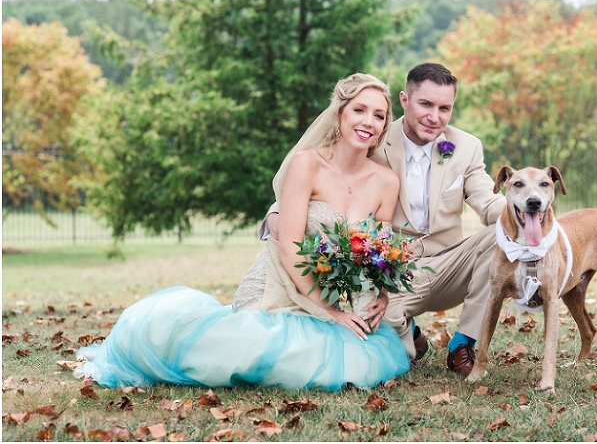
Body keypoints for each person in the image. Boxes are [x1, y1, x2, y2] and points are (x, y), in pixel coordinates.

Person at [75, 73, 410, 391]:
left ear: (383, 127)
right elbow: (289, 249)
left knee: (356, 356)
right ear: (339, 114)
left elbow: (374, 254)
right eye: (359, 110)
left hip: (337, 291)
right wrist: (331, 313)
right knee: (251, 348)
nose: (368, 121)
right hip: (280, 285)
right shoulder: (307, 164)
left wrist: (380, 293)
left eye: (379, 115)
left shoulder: (386, 181)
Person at [266, 63, 506, 377]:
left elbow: (487, 198)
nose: (434, 116)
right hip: (394, 273)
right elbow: (323, 181)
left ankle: (463, 342)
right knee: (390, 349)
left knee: (500, 232)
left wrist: (525, 216)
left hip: (449, 264)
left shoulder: (466, 147)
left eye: (444, 108)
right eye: (426, 104)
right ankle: (412, 338)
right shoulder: (371, 135)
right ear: (405, 100)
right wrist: (275, 213)